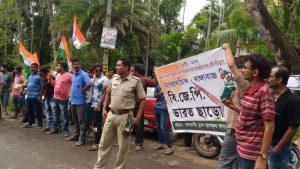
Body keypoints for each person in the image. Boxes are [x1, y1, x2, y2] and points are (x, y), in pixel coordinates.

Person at [222, 46, 275, 169]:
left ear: (255, 72)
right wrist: (234, 106)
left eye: (245, 67)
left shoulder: (264, 92)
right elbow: (250, 113)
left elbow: (270, 126)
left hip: (251, 155)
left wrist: (262, 158)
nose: (242, 69)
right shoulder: (250, 89)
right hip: (242, 148)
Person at [94, 58, 146, 169]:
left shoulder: (136, 81)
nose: (116, 67)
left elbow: (142, 99)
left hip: (125, 117)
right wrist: (104, 109)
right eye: (116, 65)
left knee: (122, 148)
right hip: (111, 114)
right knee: (103, 144)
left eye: (118, 65)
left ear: (126, 67)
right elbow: (108, 93)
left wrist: (138, 117)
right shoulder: (114, 79)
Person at [219, 44, 249, 169]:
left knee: (225, 161)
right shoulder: (242, 86)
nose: (242, 70)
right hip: (237, 128)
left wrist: (227, 48)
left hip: (235, 130)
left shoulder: (245, 84)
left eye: (245, 68)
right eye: (242, 68)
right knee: (236, 163)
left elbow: (231, 65)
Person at [267, 66, 300, 169]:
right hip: (268, 145)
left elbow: (292, 129)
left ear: (279, 80)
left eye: (270, 76)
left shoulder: (292, 101)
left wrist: (278, 148)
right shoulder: (272, 97)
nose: (268, 79)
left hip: (279, 148)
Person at [65, 59, 92, 146]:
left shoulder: (83, 74)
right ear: (72, 65)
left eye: (78, 64)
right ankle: (76, 135)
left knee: (81, 121)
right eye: (74, 64)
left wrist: (83, 90)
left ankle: (82, 139)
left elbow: (89, 83)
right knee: (75, 120)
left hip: (80, 102)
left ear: (80, 65)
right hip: (73, 101)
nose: (76, 65)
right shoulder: (74, 74)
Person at [130, 64, 157, 151]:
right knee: (125, 123)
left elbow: (155, 82)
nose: (130, 73)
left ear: (137, 72)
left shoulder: (144, 80)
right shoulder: (128, 79)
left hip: (138, 106)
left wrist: (156, 73)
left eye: (132, 71)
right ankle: (123, 141)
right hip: (128, 105)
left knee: (139, 126)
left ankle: (139, 143)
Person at [88, 64, 109, 151]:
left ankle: (97, 143)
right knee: (96, 123)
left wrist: (99, 105)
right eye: (96, 70)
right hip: (93, 104)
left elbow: (105, 94)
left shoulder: (105, 80)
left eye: (100, 70)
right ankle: (97, 139)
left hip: (100, 105)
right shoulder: (94, 77)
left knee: (98, 123)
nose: (98, 72)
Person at [49, 63, 72, 136]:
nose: (56, 67)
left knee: (64, 115)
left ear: (62, 67)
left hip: (64, 99)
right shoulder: (58, 75)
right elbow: (55, 84)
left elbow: (73, 84)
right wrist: (50, 80)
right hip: (55, 98)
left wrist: (69, 94)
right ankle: (56, 128)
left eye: (58, 65)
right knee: (55, 114)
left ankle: (66, 130)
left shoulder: (69, 75)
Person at [153, 83, 174, 155]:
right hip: (157, 108)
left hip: (164, 110)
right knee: (158, 127)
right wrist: (160, 93)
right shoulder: (158, 85)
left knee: (163, 128)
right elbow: (154, 95)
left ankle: (169, 147)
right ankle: (161, 144)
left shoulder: (171, 85)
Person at [22, 63, 44, 130]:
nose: (33, 68)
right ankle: (30, 123)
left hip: (36, 96)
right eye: (32, 67)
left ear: (37, 68)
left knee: (38, 111)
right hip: (29, 96)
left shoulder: (40, 76)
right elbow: (28, 84)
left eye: (34, 67)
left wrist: (40, 96)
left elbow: (42, 86)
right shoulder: (30, 75)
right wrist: (25, 89)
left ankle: (39, 125)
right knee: (29, 110)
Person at [39, 66, 55, 132]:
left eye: (40, 72)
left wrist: (50, 80)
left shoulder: (51, 77)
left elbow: (55, 86)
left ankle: (56, 126)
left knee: (54, 112)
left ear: (44, 72)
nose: (39, 73)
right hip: (46, 97)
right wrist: (40, 95)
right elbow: (43, 87)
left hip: (52, 97)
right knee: (47, 111)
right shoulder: (42, 78)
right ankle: (48, 126)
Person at [86, 68, 94, 137]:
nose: (88, 74)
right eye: (87, 72)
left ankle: (90, 128)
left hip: (89, 101)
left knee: (88, 117)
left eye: (89, 72)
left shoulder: (92, 81)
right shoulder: (85, 80)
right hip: (83, 101)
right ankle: (88, 128)